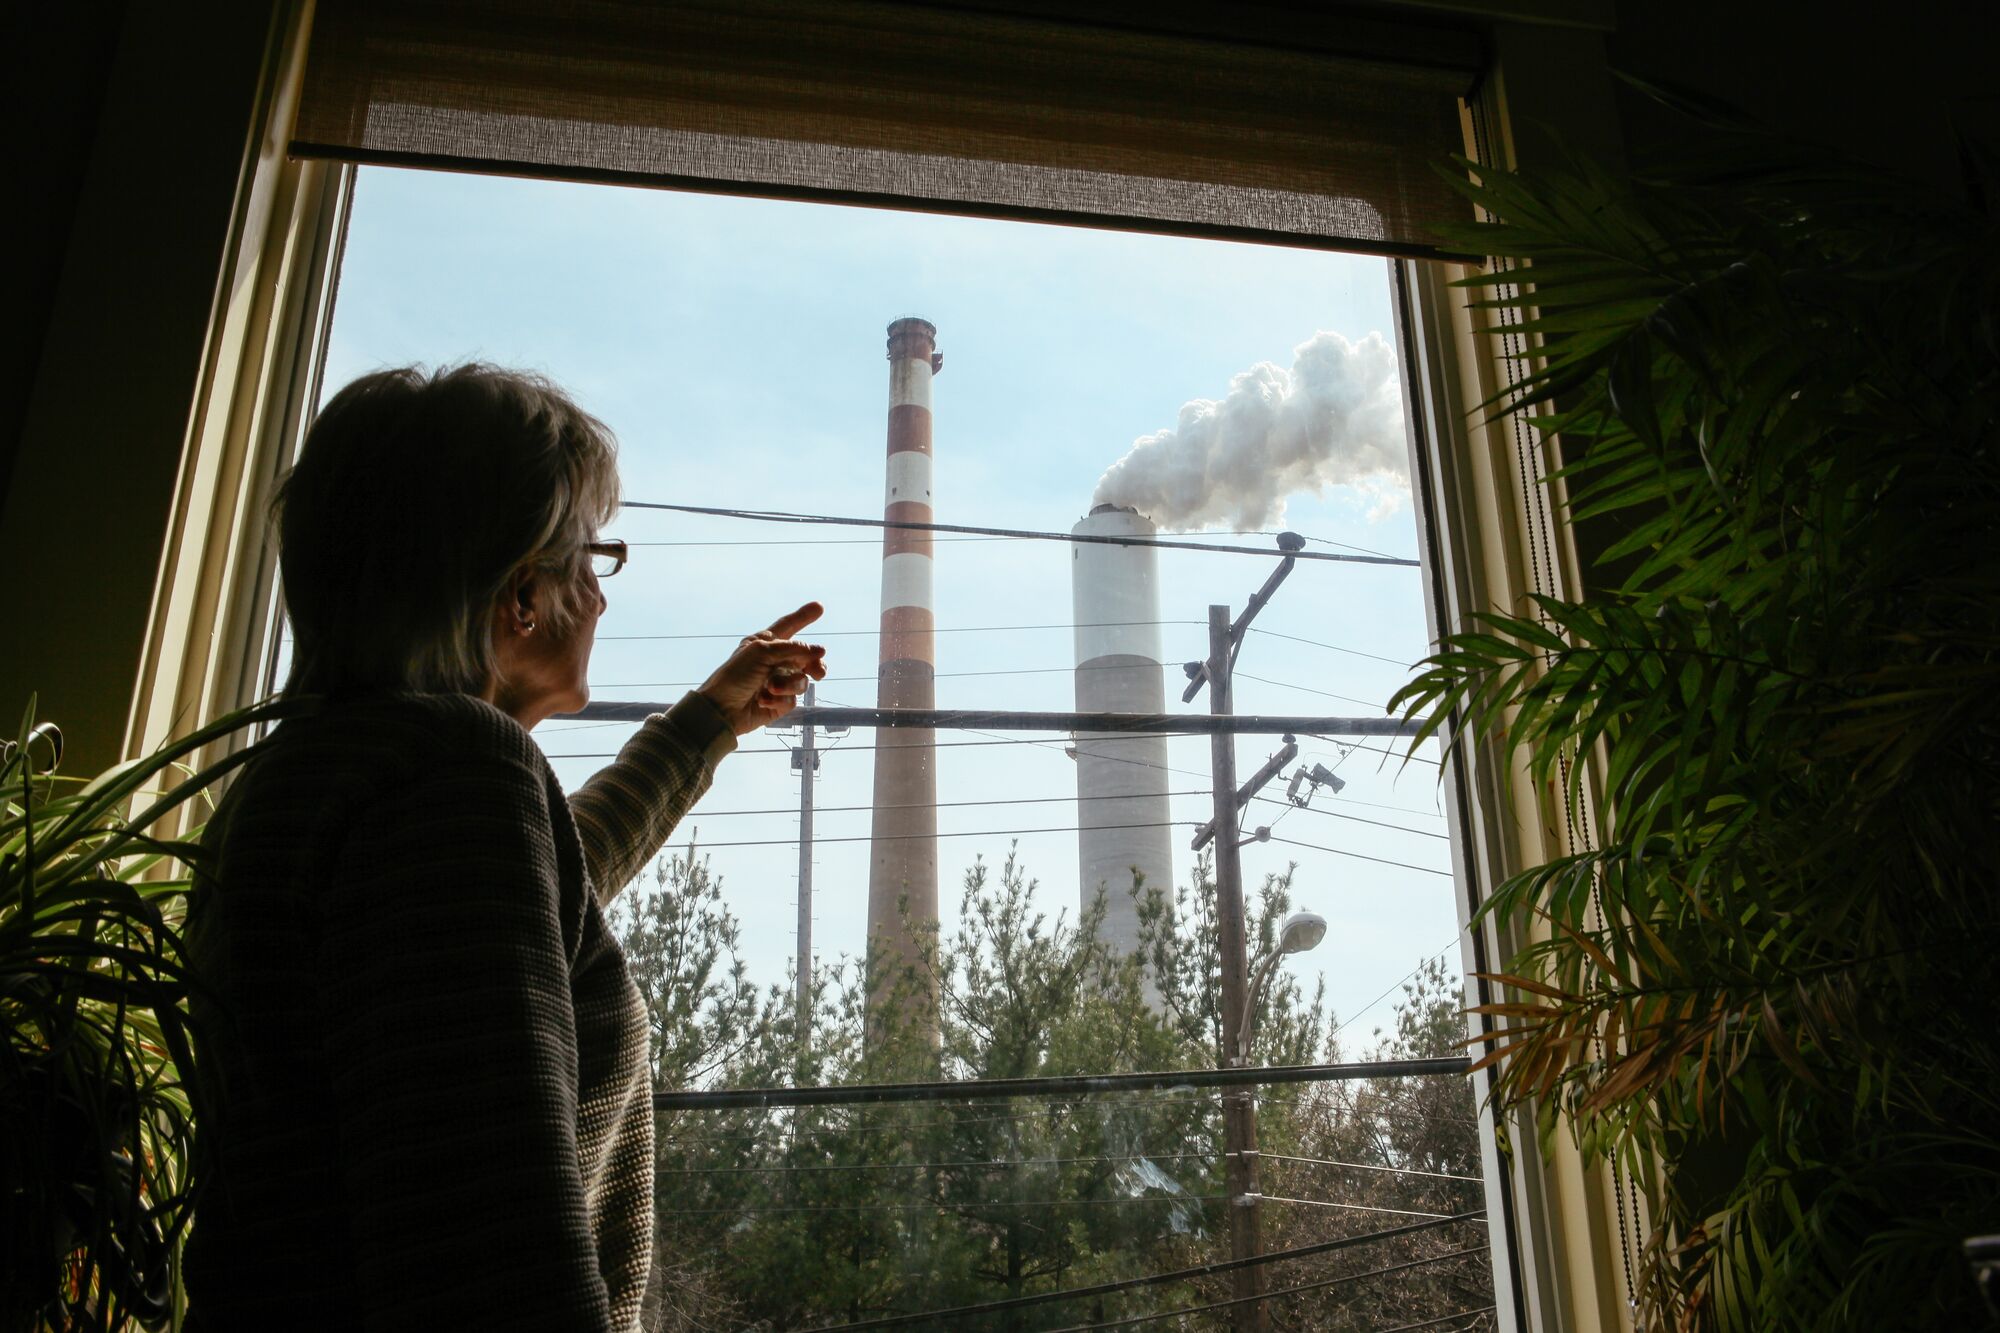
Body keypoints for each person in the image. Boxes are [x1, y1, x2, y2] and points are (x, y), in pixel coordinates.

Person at [184, 364, 825, 1330]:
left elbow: (550, 890)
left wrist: (707, 723)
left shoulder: (314, 775)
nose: (601, 600)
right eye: (592, 560)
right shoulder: (452, 775)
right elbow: (499, 1262)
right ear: (522, 589)